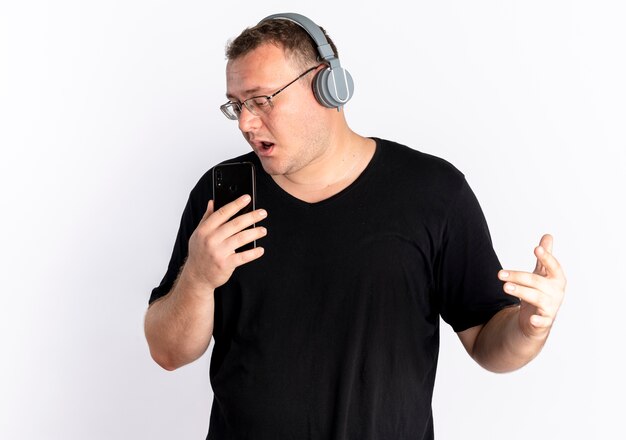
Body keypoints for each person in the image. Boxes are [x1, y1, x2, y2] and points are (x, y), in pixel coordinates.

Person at [144, 13, 566, 440]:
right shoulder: (222, 197)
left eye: (261, 100)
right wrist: (197, 277)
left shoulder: (433, 193)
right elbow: (166, 352)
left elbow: (487, 344)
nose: (245, 123)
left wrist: (530, 327)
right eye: (237, 105)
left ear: (327, 85)